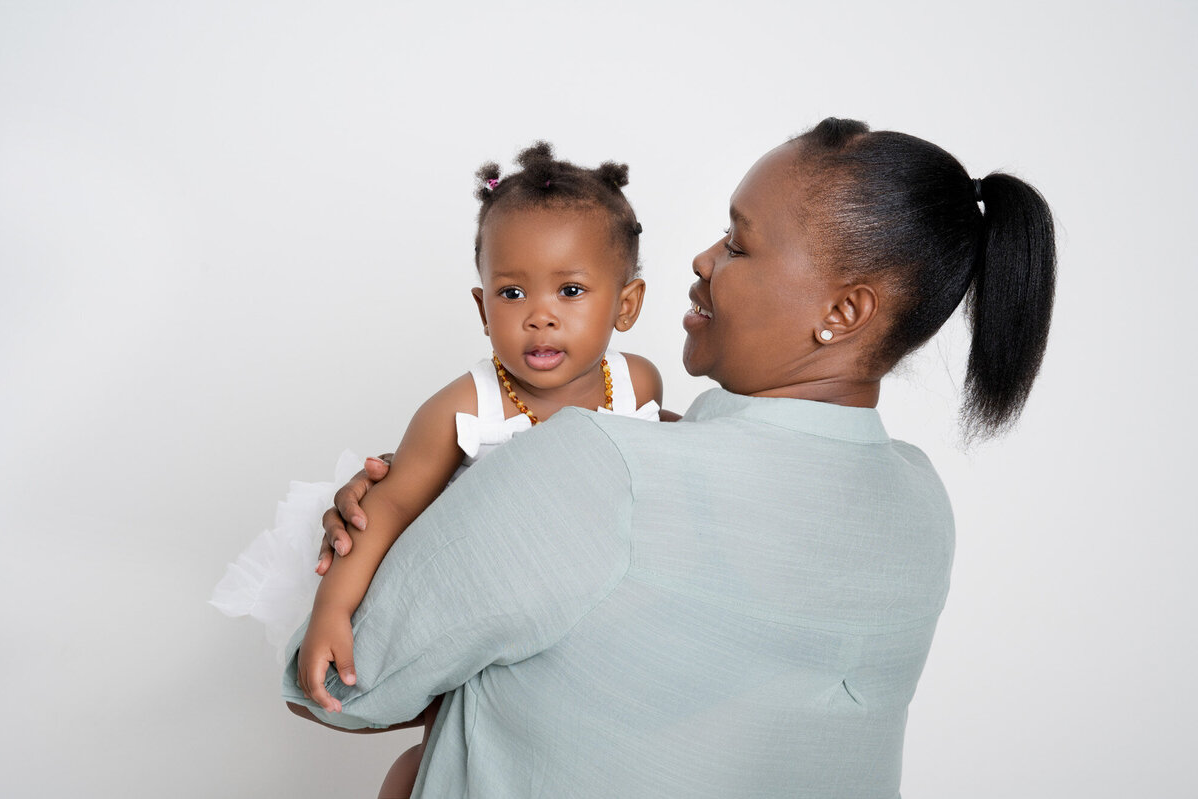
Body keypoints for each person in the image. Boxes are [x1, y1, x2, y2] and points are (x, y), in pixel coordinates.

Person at [285, 117, 1056, 798]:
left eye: (738, 243)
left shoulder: (597, 466)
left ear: (843, 311)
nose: (702, 258)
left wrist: (410, 517)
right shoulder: (922, 505)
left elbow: (346, 689)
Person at [221, 142, 667, 797]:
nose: (540, 314)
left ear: (626, 305)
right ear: (484, 309)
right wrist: (332, 609)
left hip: (593, 608)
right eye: (512, 292)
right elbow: (390, 506)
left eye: (570, 290)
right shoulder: (464, 405)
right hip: (482, 605)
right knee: (451, 742)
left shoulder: (637, 383)